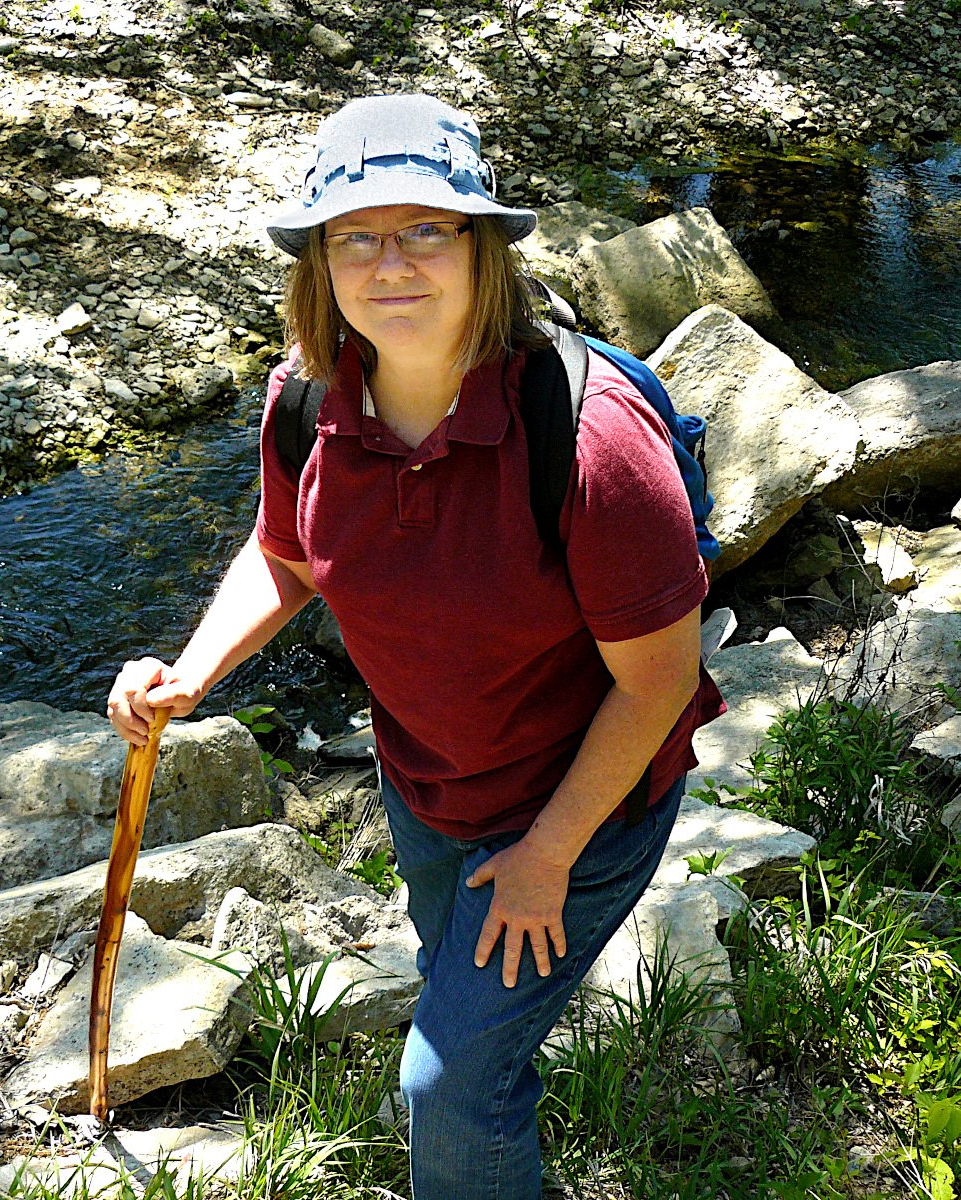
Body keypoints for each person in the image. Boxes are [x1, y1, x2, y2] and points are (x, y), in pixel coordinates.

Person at [107, 93, 725, 1200]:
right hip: (426, 787)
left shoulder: (588, 438)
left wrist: (546, 857)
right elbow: (286, 556)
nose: (389, 264)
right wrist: (191, 674)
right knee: (468, 1023)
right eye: (355, 237)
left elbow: (660, 681)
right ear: (319, 263)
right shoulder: (307, 397)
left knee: (446, 1088)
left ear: (483, 247)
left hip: (580, 805)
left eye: (426, 229)